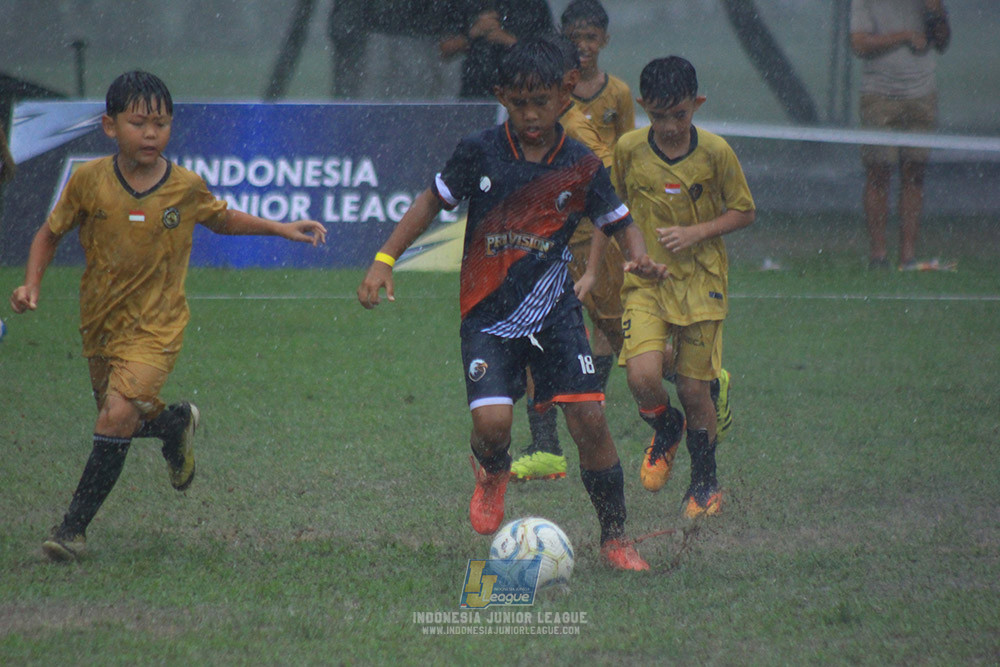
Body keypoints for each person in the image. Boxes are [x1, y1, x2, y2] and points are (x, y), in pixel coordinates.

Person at [357, 39, 666, 570]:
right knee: (494, 425)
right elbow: (432, 199)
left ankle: (615, 538)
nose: (529, 114)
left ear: (563, 95)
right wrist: (385, 257)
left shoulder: (581, 164)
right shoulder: (480, 149)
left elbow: (619, 220)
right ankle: (492, 468)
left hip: (555, 315)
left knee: (590, 421)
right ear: (500, 96)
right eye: (518, 103)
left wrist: (638, 256)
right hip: (488, 316)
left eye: (540, 102)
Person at [9, 71, 327, 562]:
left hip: (158, 326)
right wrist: (31, 283)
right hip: (100, 324)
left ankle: (72, 529)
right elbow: (48, 235)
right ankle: (175, 424)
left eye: (161, 123)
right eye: (139, 123)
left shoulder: (184, 186)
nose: (151, 133)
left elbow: (221, 217)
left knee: (115, 416)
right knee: (119, 420)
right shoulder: (88, 181)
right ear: (110, 126)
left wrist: (281, 228)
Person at [611, 56, 755, 519]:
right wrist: (596, 272)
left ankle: (704, 482)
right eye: (657, 116)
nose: (670, 126)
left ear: (697, 104)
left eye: (679, 114)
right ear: (641, 108)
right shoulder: (630, 149)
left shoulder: (716, 153)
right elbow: (608, 210)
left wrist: (696, 232)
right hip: (646, 281)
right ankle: (666, 426)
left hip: (700, 283)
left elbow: (744, 211)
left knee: (695, 392)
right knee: (641, 376)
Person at [510, 33, 624, 482]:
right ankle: (546, 447)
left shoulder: (576, 133)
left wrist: (595, 267)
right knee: (533, 335)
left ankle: (702, 380)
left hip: (589, 245)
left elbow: (606, 201)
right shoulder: (530, 130)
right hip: (546, 250)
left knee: (624, 339)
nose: (530, 106)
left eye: (540, 93)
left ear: (564, 87)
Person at [850, 0, 950, 271]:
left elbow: (942, 42)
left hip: (922, 94)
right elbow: (859, 43)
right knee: (878, 172)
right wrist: (904, 36)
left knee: (915, 173)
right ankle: (879, 255)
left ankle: (908, 256)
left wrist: (936, 12)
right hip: (879, 93)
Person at [439, 0, 555, 99]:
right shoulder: (465, 3)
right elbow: (444, 50)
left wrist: (509, 41)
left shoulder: (533, 4)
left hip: (521, 94)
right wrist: (474, 32)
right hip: (474, 92)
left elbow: (548, 55)